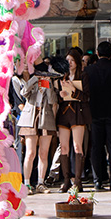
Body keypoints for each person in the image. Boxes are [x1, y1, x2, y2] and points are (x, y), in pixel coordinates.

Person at [86, 40, 111, 191]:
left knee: (96, 147)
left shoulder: (89, 70)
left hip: (94, 113)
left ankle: (97, 180)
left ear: (97, 53)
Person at [17, 56, 58, 194]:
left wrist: (49, 84)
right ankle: (27, 183)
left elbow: (53, 100)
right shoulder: (32, 81)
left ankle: (41, 182)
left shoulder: (47, 83)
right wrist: (35, 80)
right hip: (30, 117)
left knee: (43, 153)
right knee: (30, 152)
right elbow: (24, 93)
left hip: (45, 117)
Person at [56, 48, 90, 192]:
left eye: (72, 60)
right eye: (67, 60)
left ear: (77, 61)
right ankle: (66, 179)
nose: (69, 63)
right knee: (63, 147)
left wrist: (74, 91)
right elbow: (58, 98)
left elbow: (87, 97)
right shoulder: (62, 76)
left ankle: (78, 180)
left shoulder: (83, 76)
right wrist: (61, 93)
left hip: (78, 112)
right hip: (64, 112)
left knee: (77, 146)